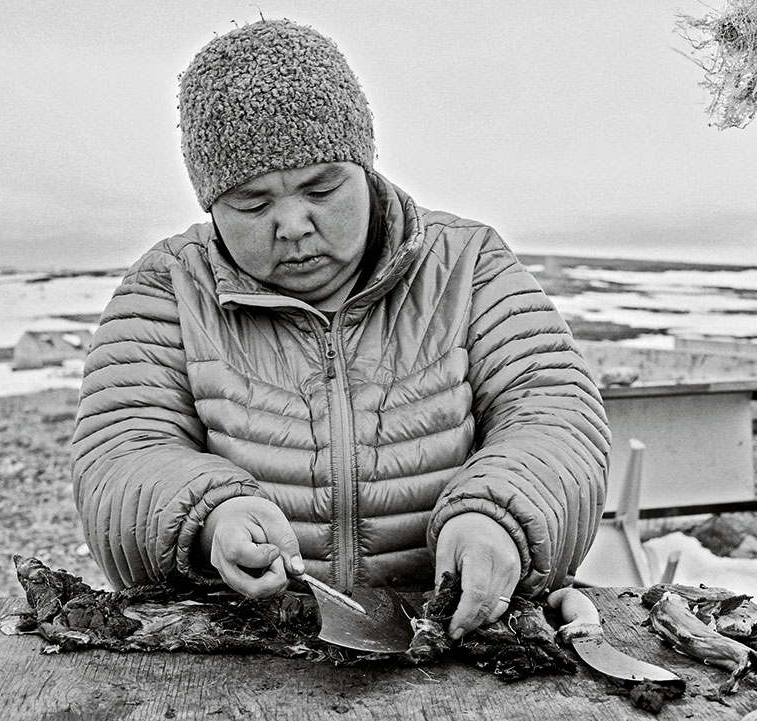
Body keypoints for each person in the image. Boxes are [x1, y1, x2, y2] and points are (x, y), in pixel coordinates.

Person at [72, 18, 610, 641]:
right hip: (243, 641)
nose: (293, 224)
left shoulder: (467, 264)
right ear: (210, 205)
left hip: (453, 633)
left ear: (366, 169)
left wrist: (501, 517)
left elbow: (554, 413)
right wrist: (210, 514)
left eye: (321, 186)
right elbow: (121, 452)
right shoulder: (167, 286)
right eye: (252, 203)